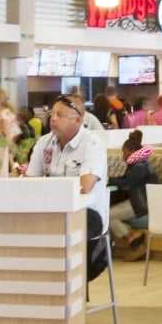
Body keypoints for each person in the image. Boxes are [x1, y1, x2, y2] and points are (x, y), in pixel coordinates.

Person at [26, 96, 108, 272]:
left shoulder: (92, 144)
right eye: (52, 114)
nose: (53, 118)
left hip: (88, 214)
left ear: (77, 120)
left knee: (57, 232)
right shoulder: (44, 142)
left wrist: (47, 190)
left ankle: (70, 289)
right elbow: (30, 183)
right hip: (53, 210)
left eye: (60, 115)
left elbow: (84, 188)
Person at [108, 129, 159, 261]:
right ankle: (132, 236)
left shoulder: (141, 165)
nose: (123, 156)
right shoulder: (136, 163)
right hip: (138, 201)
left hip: (143, 203)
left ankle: (133, 238)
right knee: (108, 213)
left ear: (132, 151)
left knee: (108, 215)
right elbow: (124, 179)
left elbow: (127, 184)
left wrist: (110, 180)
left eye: (124, 152)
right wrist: (109, 179)